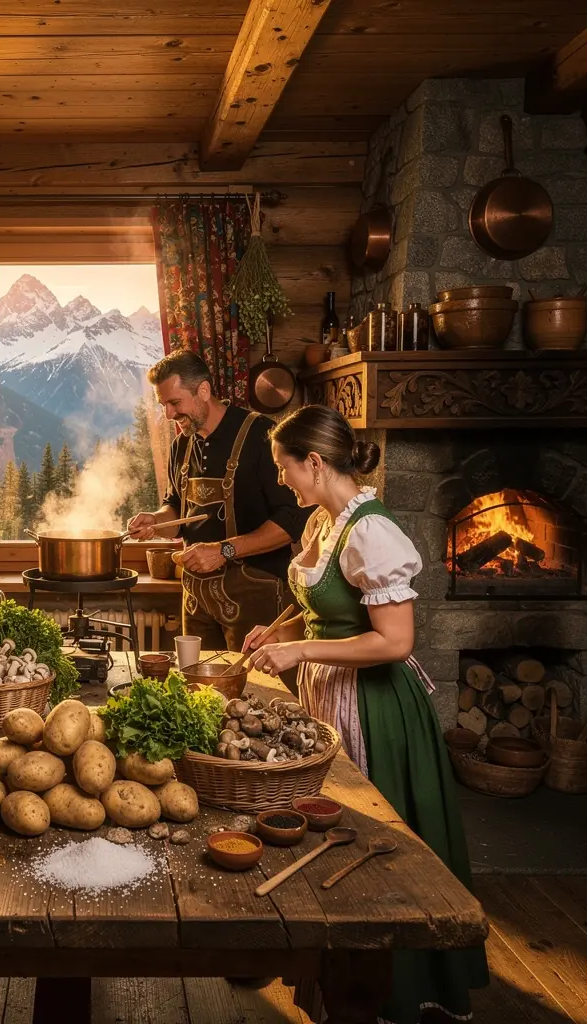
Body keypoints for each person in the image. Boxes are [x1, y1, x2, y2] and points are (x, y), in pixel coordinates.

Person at [242, 404, 488, 1024]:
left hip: (373, 705)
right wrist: (275, 630)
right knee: (328, 837)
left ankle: (392, 989)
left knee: (374, 846)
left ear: (315, 462)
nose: (281, 481)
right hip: (330, 690)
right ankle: (329, 974)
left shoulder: (372, 532)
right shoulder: (326, 523)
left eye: (284, 468)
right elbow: (327, 609)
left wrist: (298, 650)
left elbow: (394, 641)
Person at [127, 350, 310, 650]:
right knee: (197, 690)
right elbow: (175, 506)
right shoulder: (181, 444)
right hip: (196, 598)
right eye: (164, 405)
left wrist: (224, 550)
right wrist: (157, 521)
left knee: (256, 690)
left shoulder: (262, 435)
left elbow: (293, 520)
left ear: (203, 391)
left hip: (255, 594)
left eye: (175, 403)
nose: (169, 414)